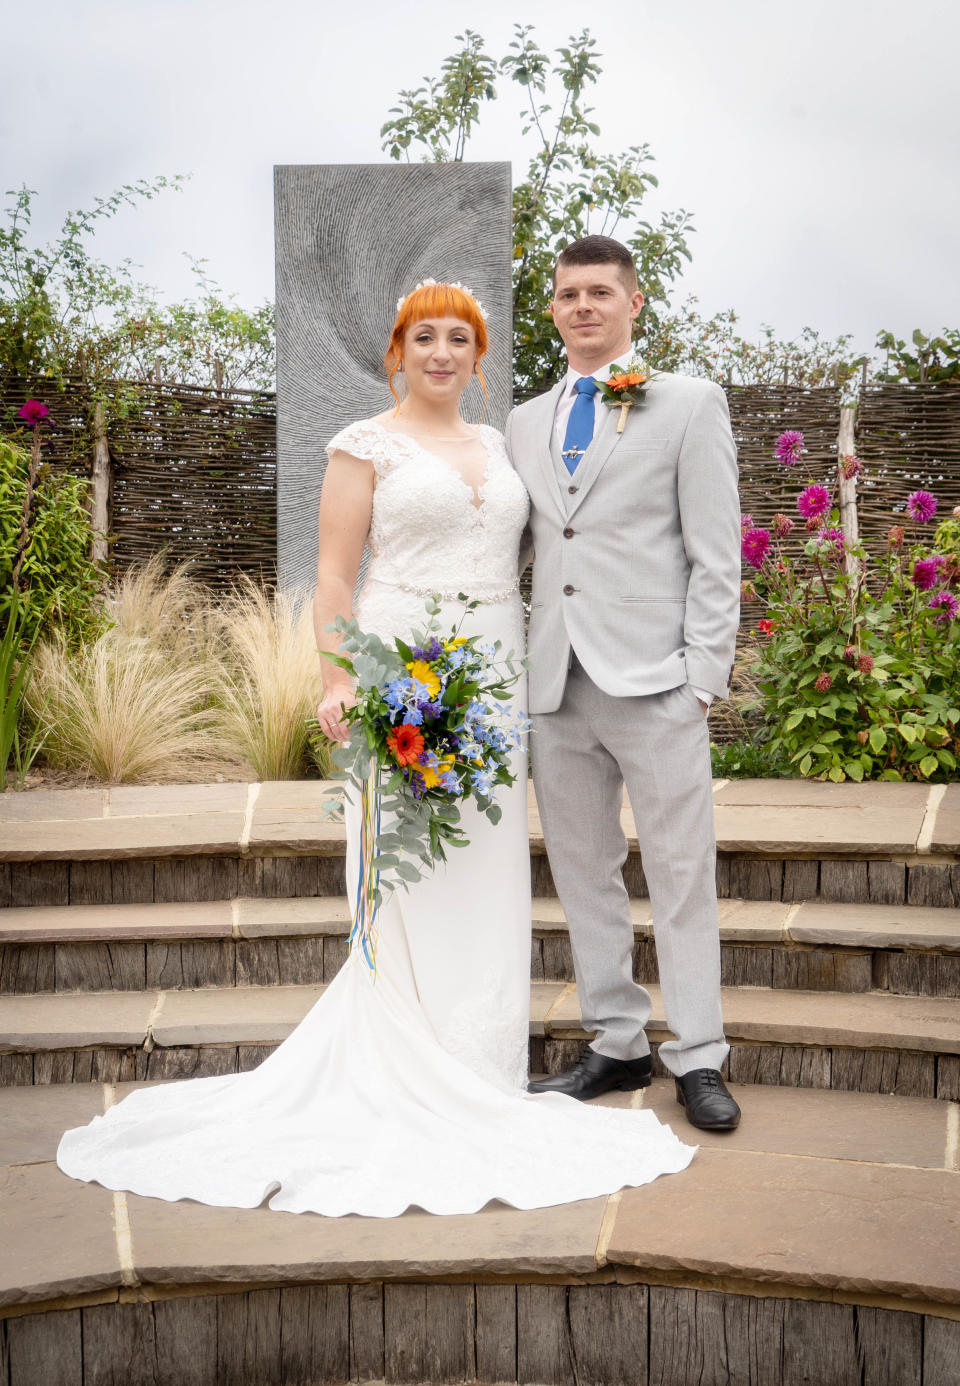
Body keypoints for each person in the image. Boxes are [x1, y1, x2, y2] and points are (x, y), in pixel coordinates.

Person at [56, 280, 695, 1216]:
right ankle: (404, 1059)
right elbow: (331, 570)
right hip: (404, 670)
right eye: (423, 338)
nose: (442, 352)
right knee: (404, 869)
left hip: (497, 677)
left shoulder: (500, 442)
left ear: (480, 357)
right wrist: (338, 679)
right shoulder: (364, 445)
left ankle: (480, 1067)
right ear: (398, 352)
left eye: (459, 339)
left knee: (482, 861)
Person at [506, 237, 743, 1132]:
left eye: (600, 292)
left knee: (682, 874)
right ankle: (615, 1040)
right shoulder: (525, 422)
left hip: (657, 685)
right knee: (582, 871)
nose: (583, 307)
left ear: (633, 305)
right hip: (556, 684)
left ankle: (700, 1055)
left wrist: (702, 682)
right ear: (554, 310)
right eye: (568, 295)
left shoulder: (688, 405)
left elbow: (715, 556)